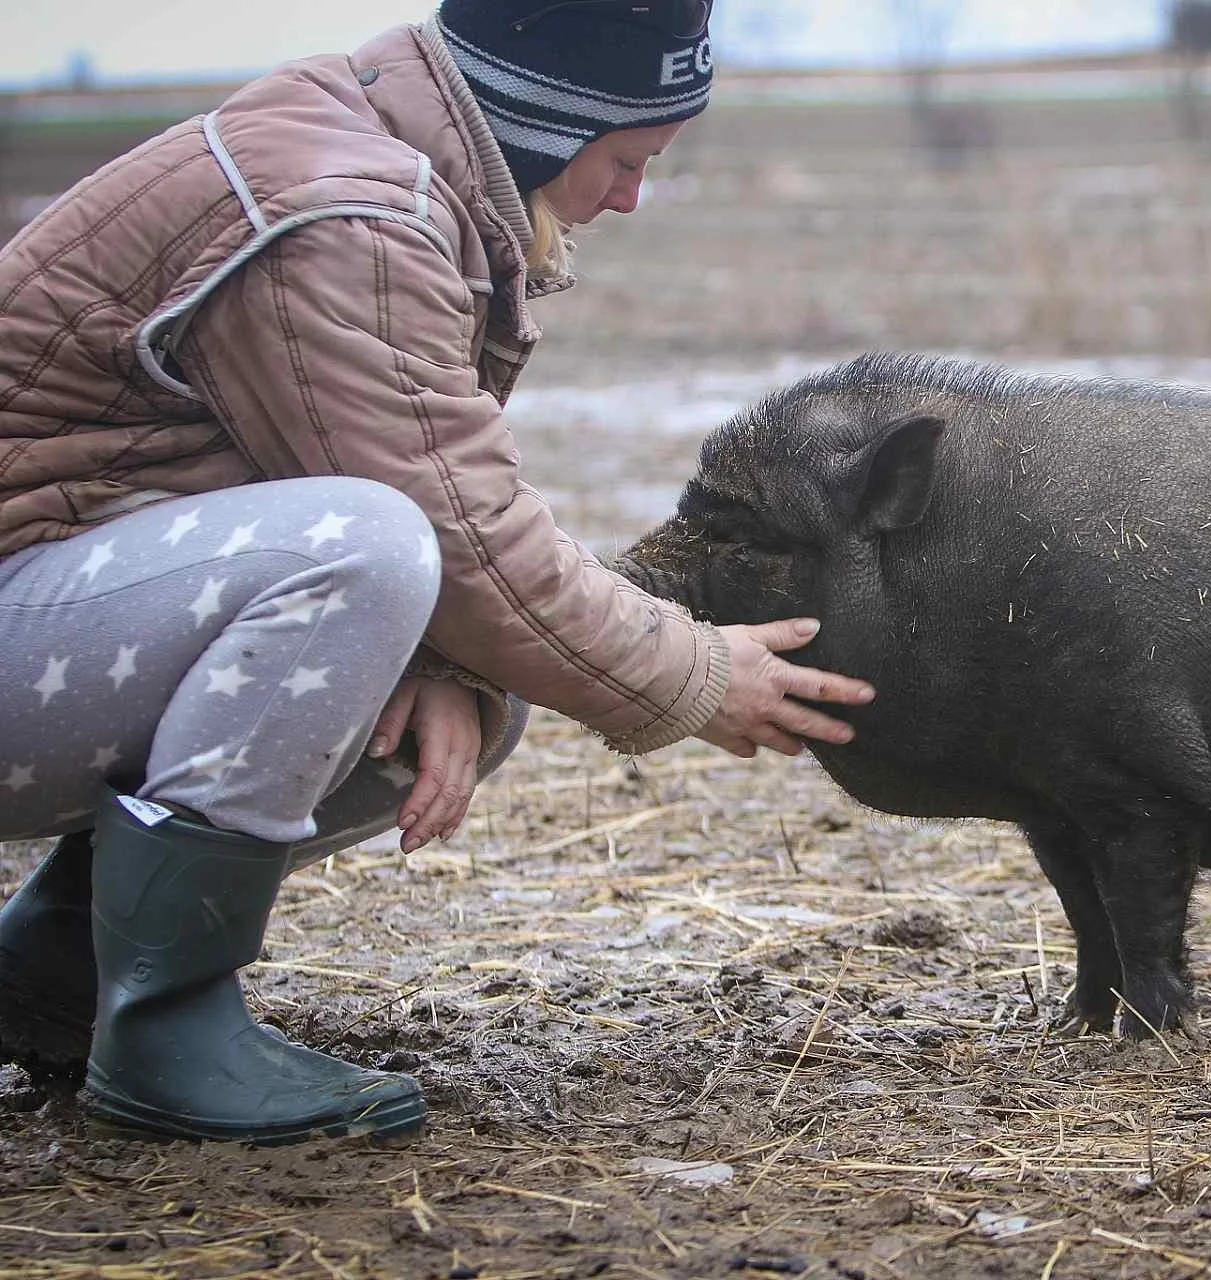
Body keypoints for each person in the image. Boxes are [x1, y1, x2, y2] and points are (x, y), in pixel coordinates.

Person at [0, 0, 872, 1145]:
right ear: (543, 120)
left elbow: (383, 488)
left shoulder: (372, 151)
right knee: (366, 546)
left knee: (445, 693)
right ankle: (167, 1031)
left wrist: (444, 660)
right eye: (626, 159)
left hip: (49, 606)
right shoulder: (350, 214)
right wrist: (694, 672)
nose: (628, 197)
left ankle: (57, 969)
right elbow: (453, 525)